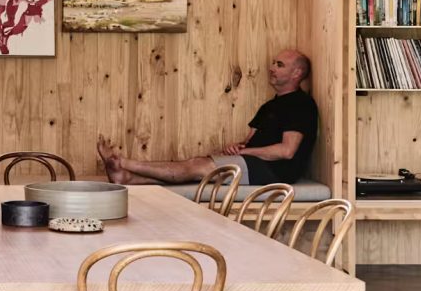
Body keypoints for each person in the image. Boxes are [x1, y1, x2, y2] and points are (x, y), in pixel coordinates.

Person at [96, 49, 318, 188]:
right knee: (198, 166)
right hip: (253, 163)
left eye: (279, 65)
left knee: (196, 166)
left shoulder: (300, 104)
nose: (271, 68)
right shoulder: (270, 105)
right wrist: (237, 147)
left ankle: (123, 162)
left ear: (297, 73)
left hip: (275, 173)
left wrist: (244, 152)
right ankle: (127, 179)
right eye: (273, 63)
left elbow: (286, 151)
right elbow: (248, 141)